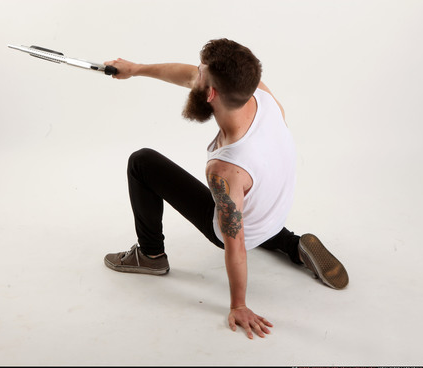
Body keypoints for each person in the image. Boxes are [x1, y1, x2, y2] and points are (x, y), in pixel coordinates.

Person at [103, 38, 349, 340]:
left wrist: (239, 305)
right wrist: (135, 69)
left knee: (142, 162)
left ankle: (151, 257)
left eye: (201, 74)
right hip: (274, 209)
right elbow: (190, 76)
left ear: (212, 94)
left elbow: (235, 243)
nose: (195, 75)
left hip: (246, 225)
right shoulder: (261, 94)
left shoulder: (226, 167)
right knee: (245, 200)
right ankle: (292, 246)